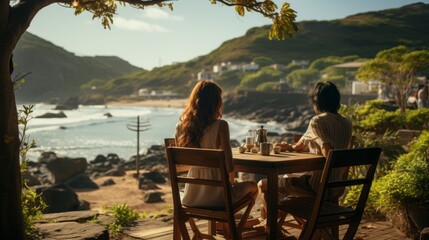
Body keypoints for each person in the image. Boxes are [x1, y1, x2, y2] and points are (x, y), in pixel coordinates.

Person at [257, 81, 352, 224]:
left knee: (264, 184)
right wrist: (289, 146)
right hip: (336, 188)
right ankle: (278, 225)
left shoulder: (317, 121)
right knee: (286, 181)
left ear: (316, 102)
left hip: (315, 187)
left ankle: (272, 229)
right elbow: (299, 146)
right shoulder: (346, 123)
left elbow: (328, 150)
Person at [176, 80, 258, 208]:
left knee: (233, 186)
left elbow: (180, 166)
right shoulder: (221, 126)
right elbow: (230, 167)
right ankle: (230, 226)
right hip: (219, 199)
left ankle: (223, 227)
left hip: (191, 197)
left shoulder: (180, 127)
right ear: (216, 103)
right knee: (253, 186)